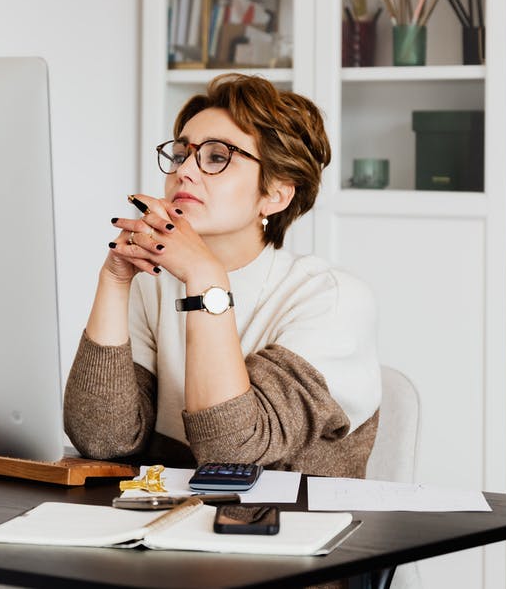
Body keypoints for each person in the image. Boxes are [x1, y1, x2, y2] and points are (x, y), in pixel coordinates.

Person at [63, 74, 381, 478]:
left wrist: (205, 277)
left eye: (216, 157)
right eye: (181, 155)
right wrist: (115, 278)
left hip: (288, 529)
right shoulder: (153, 283)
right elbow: (102, 439)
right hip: (167, 525)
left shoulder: (333, 299)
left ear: (276, 195)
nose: (185, 171)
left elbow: (233, 453)